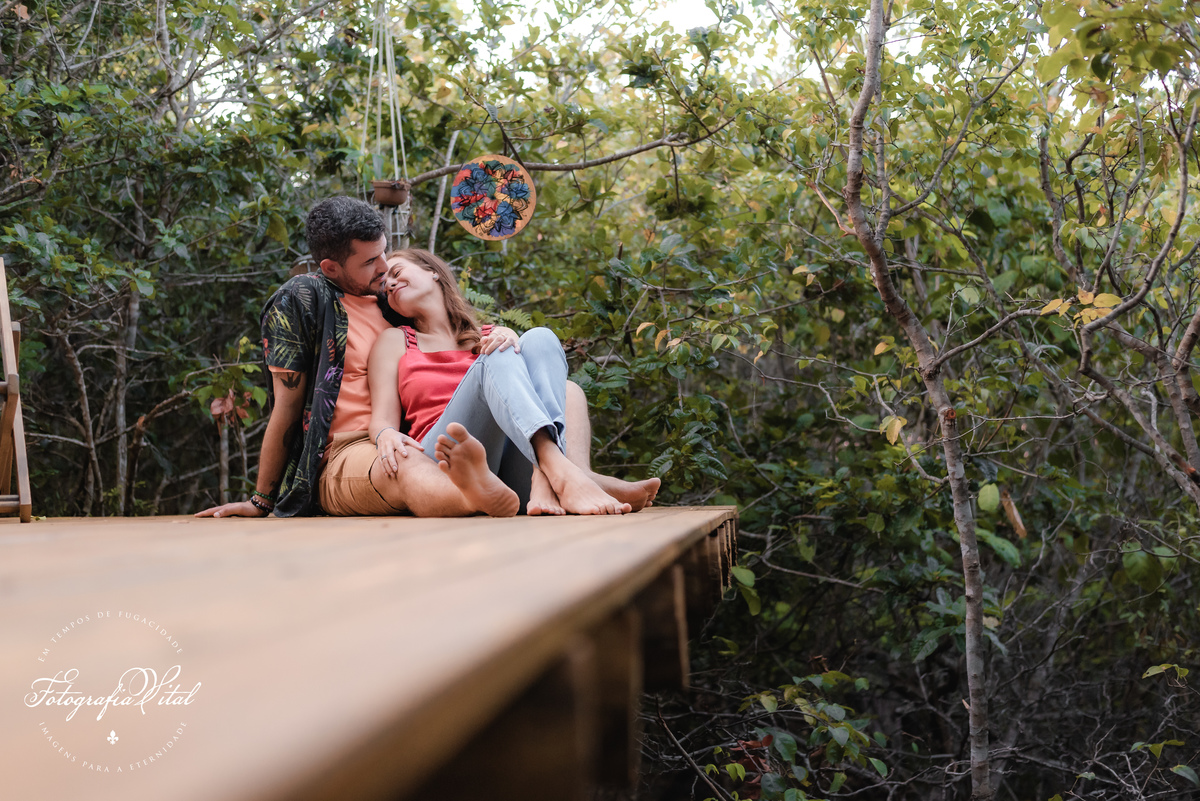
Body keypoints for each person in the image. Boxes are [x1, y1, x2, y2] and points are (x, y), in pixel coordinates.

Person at [197, 196, 657, 518]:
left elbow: (483, 347)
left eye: (389, 261)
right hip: (365, 448)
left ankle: (555, 476)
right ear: (332, 269)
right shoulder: (310, 301)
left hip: (465, 439)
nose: (383, 274)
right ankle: (534, 482)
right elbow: (289, 407)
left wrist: (506, 335)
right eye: (373, 264)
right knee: (406, 462)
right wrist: (261, 499)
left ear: (435, 274)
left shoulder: (388, 305)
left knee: (556, 370)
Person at [368, 248, 638, 516]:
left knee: (540, 338)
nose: (390, 284)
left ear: (433, 272)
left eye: (397, 272)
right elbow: (382, 419)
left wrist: (506, 335)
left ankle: (547, 476)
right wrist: (385, 434)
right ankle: (560, 469)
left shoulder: (491, 335)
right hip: (447, 461)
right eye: (385, 287)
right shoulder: (396, 341)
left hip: (507, 479)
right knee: (498, 352)